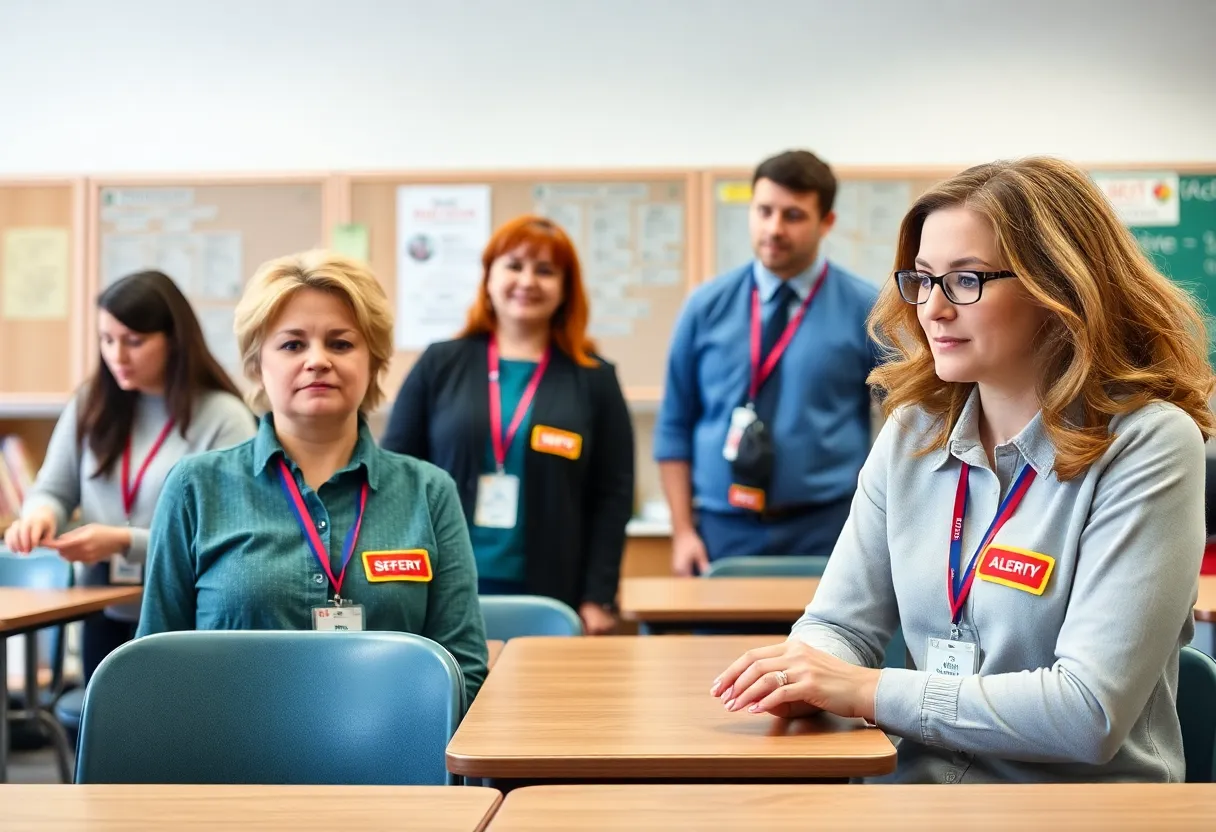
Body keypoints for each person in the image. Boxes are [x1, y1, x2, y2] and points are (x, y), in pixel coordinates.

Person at [711, 157, 1215, 784]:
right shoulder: (912, 434)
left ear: (1059, 287)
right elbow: (839, 624)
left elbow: (1088, 711)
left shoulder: (1148, 444)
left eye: (966, 280)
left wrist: (867, 691)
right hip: (914, 801)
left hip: (1077, 817)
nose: (933, 309)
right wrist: (807, 670)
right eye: (923, 280)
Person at [136, 250, 487, 704]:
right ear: (257, 364)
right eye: (292, 344)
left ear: (374, 361)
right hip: (230, 759)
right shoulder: (194, 487)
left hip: (390, 760)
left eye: (341, 343)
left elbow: (463, 665)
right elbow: (154, 662)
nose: (317, 360)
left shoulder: (429, 491)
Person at [382, 215, 634, 635]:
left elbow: (613, 496)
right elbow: (396, 476)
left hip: (552, 590)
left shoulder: (593, 378)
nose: (528, 280)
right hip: (441, 583)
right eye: (514, 265)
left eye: (546, 270)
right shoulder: (441, 363)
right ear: (489, 278)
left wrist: (598, 595)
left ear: (565, 289)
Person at [4, 271, 255, 679]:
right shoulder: (91, 402)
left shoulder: (224, 418)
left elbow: (229, 538)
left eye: (134, 341)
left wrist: (124, 541)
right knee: (108, 732)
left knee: (175, 736)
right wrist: (39, 516)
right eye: (106, 340)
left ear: (173, 339)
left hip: (185, 617)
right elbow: (53, 489)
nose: (117, 355)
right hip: (100, 603)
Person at [654, 150, 880, 574]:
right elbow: (674, 426)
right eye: (764, 211)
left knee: (826, 642)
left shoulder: (866, 308)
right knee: (714, 643)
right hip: (721, 528)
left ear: (826, 223)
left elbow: (907, 418)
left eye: (793, 215)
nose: (774, 229)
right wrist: (682, 531)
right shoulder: (706, 306)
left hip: (828, 526)